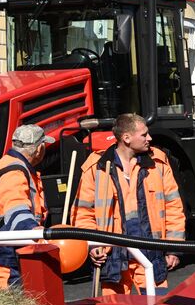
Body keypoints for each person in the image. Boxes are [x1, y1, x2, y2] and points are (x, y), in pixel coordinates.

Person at [74, 113, 185, 294]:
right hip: (114, 258)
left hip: (151, 255)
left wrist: (173, 248)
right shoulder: (97, 167)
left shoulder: (158, 162)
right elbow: (83, 213)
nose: (149, 138)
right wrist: (93, 245)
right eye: (144, 135)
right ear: (126, 138)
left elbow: (174, 207)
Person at [0, 123, 51, 289]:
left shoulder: (9, 164)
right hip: (6, 264)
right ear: (39, 149)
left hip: (6, 258)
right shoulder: (15, 172)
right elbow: (16, 209)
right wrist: (33, 229)